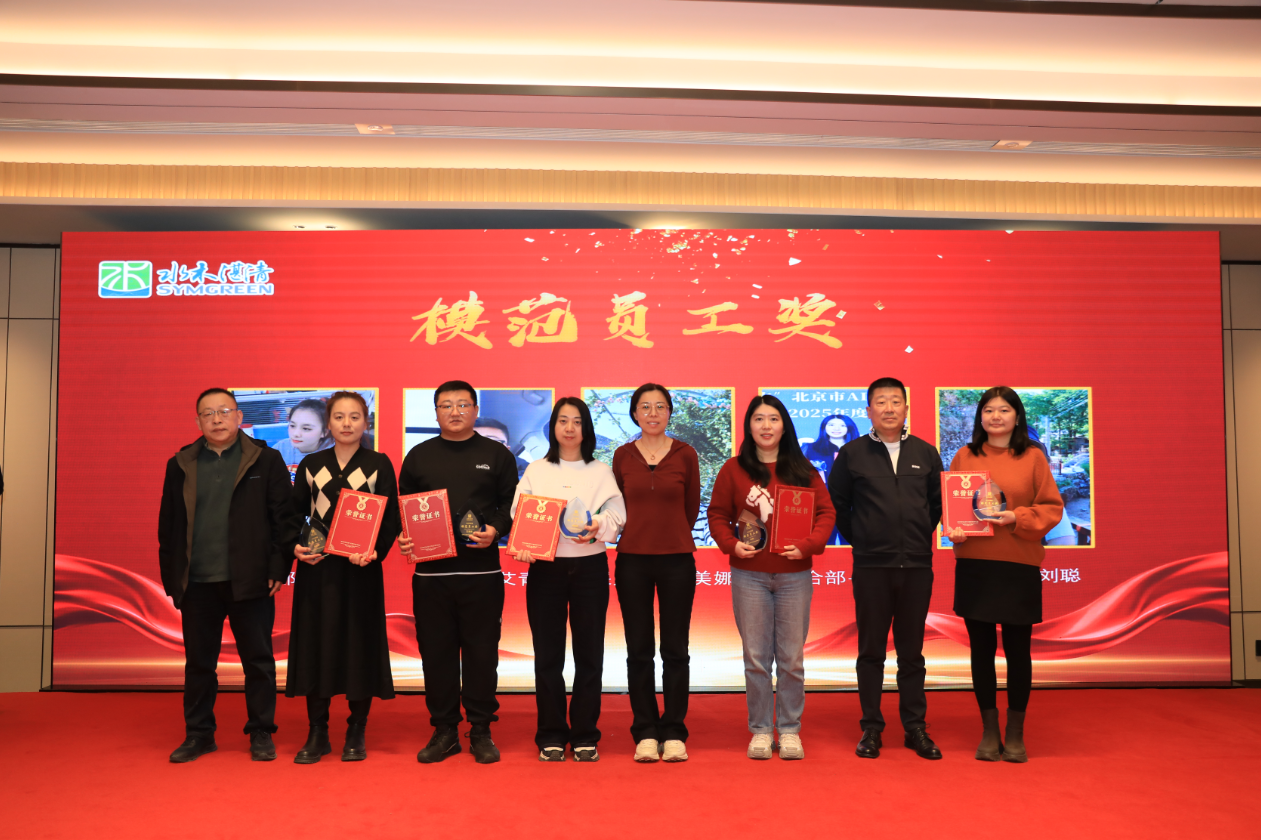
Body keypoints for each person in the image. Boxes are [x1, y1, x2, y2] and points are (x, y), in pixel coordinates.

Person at [157, 388, 294, 763]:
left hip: (250, 579)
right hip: (198, 582)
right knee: (199, 664)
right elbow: (169, 525)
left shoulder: (266, 459)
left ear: (239, 417)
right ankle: (199, 733)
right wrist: (173, 579)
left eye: (224, 411)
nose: (216, 419)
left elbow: (284, 520)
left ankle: (261, 731)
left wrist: (278, 567)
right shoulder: (181, 463)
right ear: (198, 421)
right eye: (208, 413)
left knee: (258, 661)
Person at [708, 395, 835, 761]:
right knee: (756, 658)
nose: (766, 426)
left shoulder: (803, 468)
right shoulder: (734, 469)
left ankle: (790, 729)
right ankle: (762, 730)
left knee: (792, 658)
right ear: (749, 426)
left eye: (773, 419)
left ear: (784, 426)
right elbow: (717, 514)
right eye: (759, 419)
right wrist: (731, 545)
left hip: (794, 576)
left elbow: (826, 514)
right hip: (749, 576)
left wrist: (808, 545)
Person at [397, 380, 518, 764]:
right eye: (446, 405)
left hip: (481, 576)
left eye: (463, 404)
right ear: (436, 412)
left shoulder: (495, 454)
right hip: (431, 578)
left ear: (475, 410)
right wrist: (404, 536)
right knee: (437, 656)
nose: (455, 411)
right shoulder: (419, 456)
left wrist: (495, 529)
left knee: (482, 655)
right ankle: (444, 730)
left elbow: (510, 503)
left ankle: (480, 729)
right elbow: (405, 508)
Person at [827, 377, 944, 761]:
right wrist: (864, 539)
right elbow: (838, 505)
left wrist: (915, 538)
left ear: (907, 408)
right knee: (871, 651)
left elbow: (935, 506)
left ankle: (915, 728)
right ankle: (871, 728)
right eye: (881, 402)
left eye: (896, 401)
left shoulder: (926, 453)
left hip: (916, 566)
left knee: (912, 653)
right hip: (871, 567)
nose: (889, 408)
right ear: (869, 411)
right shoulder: (852, 454)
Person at [946, 386, 1064, 763]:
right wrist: (954, 530)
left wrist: (1017, 517)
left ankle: (1015, 733)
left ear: (1017, 416)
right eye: (989, 410)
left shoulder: (1033, 457)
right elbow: (954, 508)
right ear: (980, 416)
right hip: (976, 564)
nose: (996, 417)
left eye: (1004, 410)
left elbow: (1051, 508)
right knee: (981, 652)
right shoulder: (965, 456)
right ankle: (989, 730)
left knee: (1017, 652)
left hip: (1018, 563)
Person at [286, 391, 401, 764]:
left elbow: (390, 518)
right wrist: (296, 546)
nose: (347, 423)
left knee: (358, 646)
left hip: (360, 570)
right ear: (328, 424)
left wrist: (375, 551)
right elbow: (293, 515)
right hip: (318, 569)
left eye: (354, 417)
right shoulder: (311, 464)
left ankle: (356, 729)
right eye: (339, 417)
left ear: (366, 422)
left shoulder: (378, 463)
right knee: (315, 644)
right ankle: (317, 731)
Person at [511, 397, 625, 762]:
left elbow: (618, 515)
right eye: (563, 421)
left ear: (586, 428)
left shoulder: (600, 471)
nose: (570, 428)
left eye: (577, 421)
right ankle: (551, 734)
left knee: (589, 655)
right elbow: (519, 514)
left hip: (590, 569)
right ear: (553, 428)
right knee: (548, 656)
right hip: (546, 570)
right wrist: (524, 543)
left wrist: (599, 524)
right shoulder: (536, 470)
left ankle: (585, 734)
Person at [611, 383, 701, 763]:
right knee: (639, 650)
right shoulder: (622, 456)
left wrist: (670, 535)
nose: (652, 413)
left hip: (677, 560)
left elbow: (691, 507)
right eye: (645, 407)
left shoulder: (686, 454)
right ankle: (645, 730)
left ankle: (675, 730)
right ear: (634, 413)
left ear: (669, 413)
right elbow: (616, 506)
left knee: (675, 649)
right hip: (632, 560)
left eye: (660, 407)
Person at [275, 398, 334, 480]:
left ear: (324, 432)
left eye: (306, 428)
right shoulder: (281, 448)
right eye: (292, 426)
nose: (296, 434)